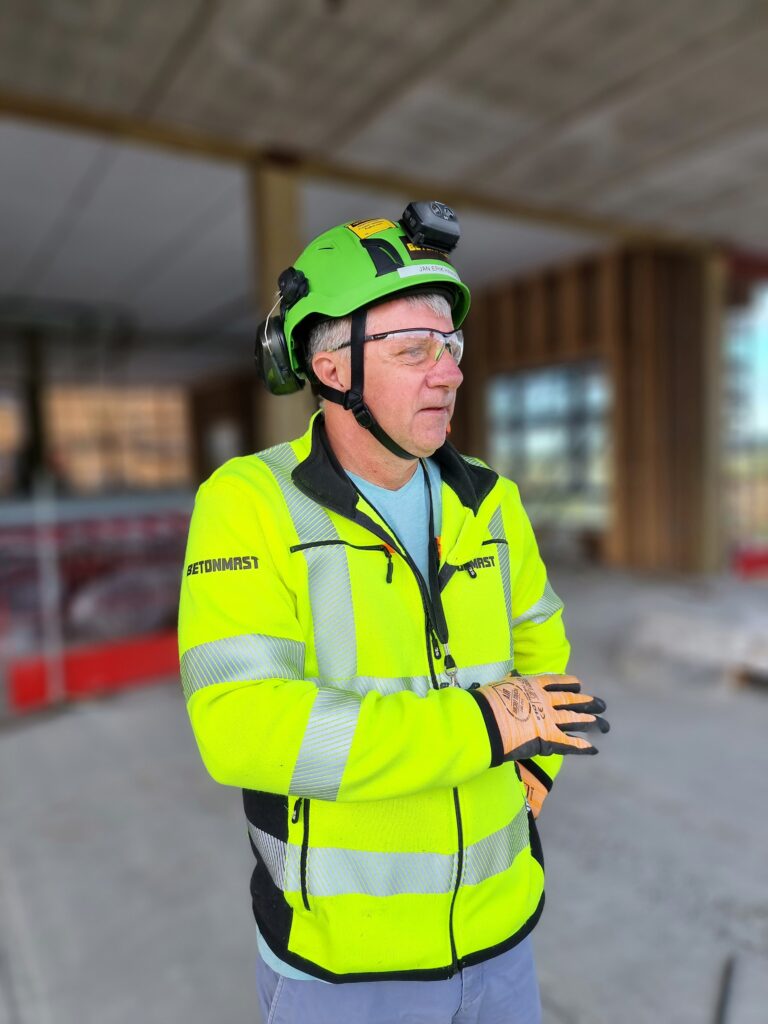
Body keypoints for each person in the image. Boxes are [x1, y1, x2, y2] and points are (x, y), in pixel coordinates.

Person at [177, 201, 609, 1024]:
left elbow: (539, 636)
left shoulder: (491, 499)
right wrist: (484, 725)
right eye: (414, 350)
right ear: (331, 368)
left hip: (502, 936)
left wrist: (538, 759)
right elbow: (239, 725)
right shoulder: (248, 504)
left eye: (451, 346)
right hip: (343, 967)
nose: (449, 373)